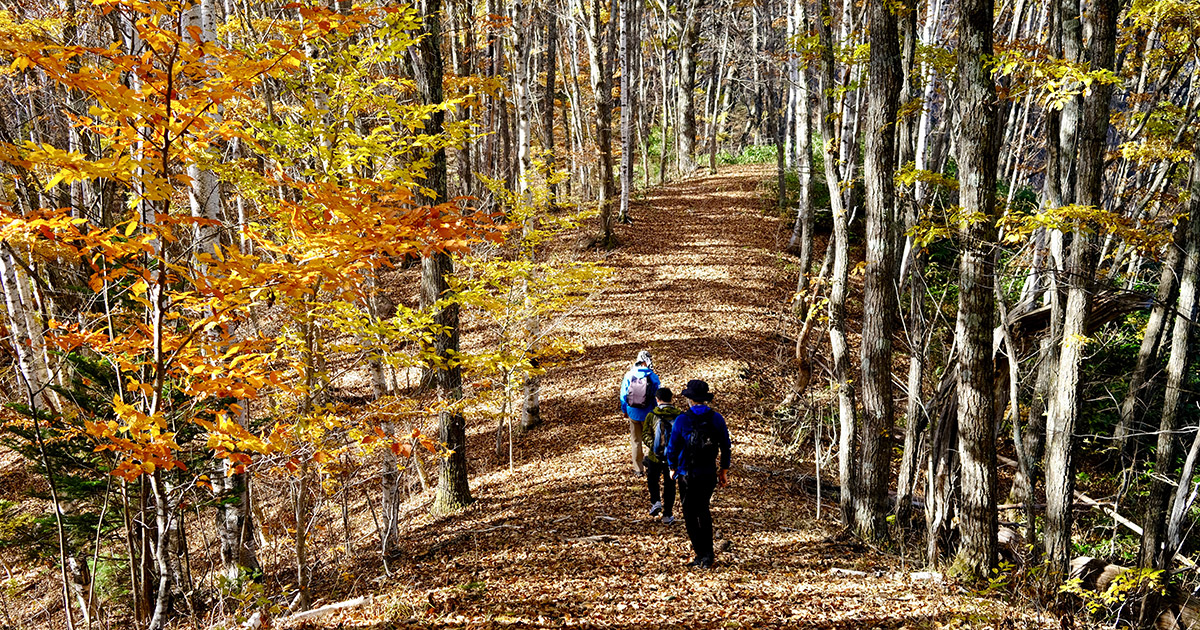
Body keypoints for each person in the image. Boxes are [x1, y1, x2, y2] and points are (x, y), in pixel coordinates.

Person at [666, 379, 731, 569]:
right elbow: (726, 446)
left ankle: (700, 553)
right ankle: (708, 554)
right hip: (708, 473)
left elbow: (673, 446)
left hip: (687, 473)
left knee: (689, 513)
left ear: (690, 400)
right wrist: (723, 470)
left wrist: (672, 466)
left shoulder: (682, 419)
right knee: (703, 509)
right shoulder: (717, 418)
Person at [641, 387, 682, 524]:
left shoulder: (652, 415)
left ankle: (656, 501)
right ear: (672, 399)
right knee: (670, 485)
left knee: (653, 479)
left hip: (655, 456)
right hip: (673, 457)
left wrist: (654, 446)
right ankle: (667, 514)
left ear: (657, 400)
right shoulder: (680, 416)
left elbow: (645, 434)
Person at [620, 350, 660, 476]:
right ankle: (651, 466)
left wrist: (625, 410)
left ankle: (638, 469)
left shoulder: (629, 375)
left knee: (636, 441)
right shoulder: (652, 376)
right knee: (650, 440)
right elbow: (657, 396)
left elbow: (623, 395)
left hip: (633, 413)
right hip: (649, 413)